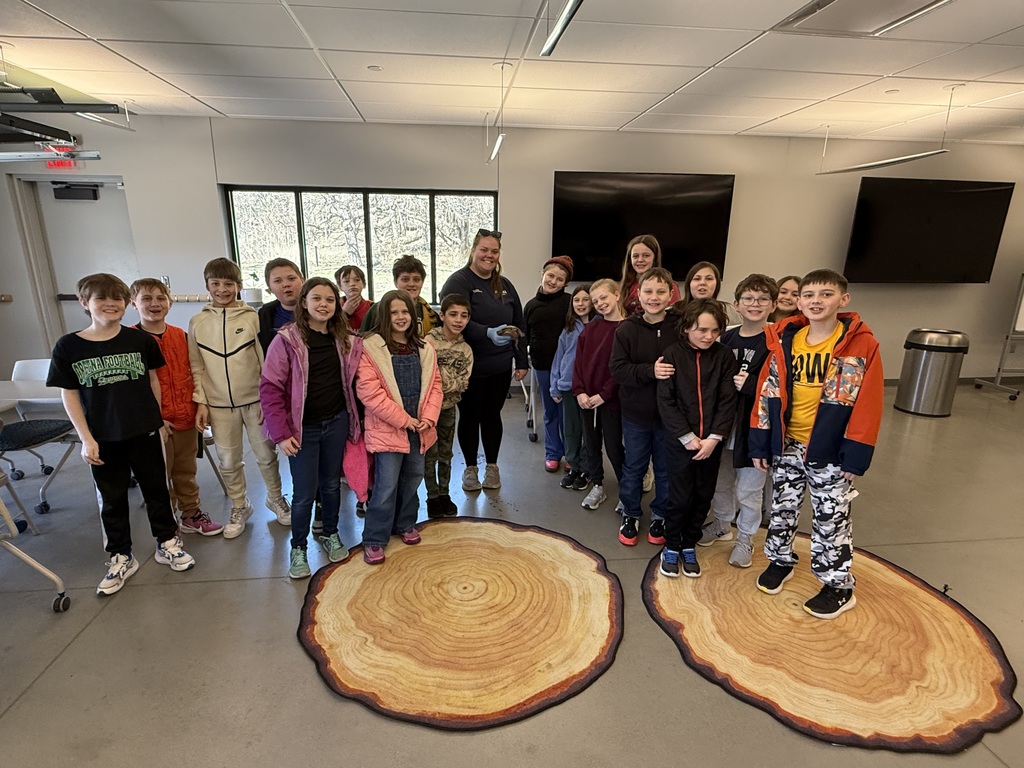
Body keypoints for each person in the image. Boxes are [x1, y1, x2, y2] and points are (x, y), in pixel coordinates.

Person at [47, 273, 195, 595]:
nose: (110, 304)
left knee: (156, 489)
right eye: (101, 298)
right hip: (103, 437)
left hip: (144, 431)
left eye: (116, 298)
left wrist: (157, 421)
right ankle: (121, 555)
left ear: (125, 303)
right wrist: (86, 438)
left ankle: (167, 541)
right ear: (85, 303)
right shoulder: (69, 346)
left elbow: (154, 381)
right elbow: (69, 394)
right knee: (112, 500)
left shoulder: (139, 340)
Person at [750, 269, 883, 620]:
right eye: (808, 295)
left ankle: (838, 585)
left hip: (829, 450)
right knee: (782, 507)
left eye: (825, 294)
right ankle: (780, 560)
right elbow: (768, 391)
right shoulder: (786, 339)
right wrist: (762, 442)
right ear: (798, 300)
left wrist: (855, 455)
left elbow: (869, 403)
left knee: (830, 517)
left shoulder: (861, 344)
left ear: (843, 299)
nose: (815, 301)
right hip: (788, 443)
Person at [260, 277, 363, 579]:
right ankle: (299, 547)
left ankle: (330, 532)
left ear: (338, 304)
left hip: (336, 422)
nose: (323, 305)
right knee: (304, 492)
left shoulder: (345, 340)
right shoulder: (287, 340)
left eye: (330, 300)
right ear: (304, 302)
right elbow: (270, 388)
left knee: (331, 484)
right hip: (302, 430)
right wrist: (281, 433)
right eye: (316, 299)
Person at [188, 258, 290, 539]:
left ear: (239, 286)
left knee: (266, 455)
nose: (222, 289)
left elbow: (265, 362)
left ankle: (276, 498)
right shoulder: (197, 323)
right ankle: (238, 505)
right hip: (219, 406)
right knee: (229, 460)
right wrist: (201, 402)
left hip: (255, 402)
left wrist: (267, 401)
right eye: (216, 284)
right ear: (207, 286)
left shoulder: (252, 318)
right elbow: (196, 366)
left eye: (228, 284)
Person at [356, 289, 443, 565]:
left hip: (420, 428)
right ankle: (374, 537)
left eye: (405, 311)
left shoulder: (424, 348)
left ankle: (405, 523)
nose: (401, 316)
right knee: (386, 485)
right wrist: (405, 420)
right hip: (388, 429)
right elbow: (370, 394)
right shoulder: (370, 348)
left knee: (413, 478)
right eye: (394, 312)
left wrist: (428, 418)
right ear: (384, 315)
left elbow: (435, 386)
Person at [130, 278, 221, 536]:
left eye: (160, 298)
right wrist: (153, 418)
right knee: (160, 475)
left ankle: (191, 514)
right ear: (133, 303)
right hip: (155, 423)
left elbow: (194, 372)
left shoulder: (181, 336)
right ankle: (166, 525)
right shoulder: (130, 340)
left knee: (186, 470)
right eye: (147, 299)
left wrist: (200, 404)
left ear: (169, 302)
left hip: (185, 417)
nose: (155, 304)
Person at [440, 229, 528, 492]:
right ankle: (470, 468)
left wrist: (521, 360)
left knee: (492, 416)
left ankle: (492, 467)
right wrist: (486, 333)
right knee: (469, 416)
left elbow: (519, 322)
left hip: (500, 367)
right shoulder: (459, 282)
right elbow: (454, 322)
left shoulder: (505, 284)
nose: (489, 255)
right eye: (484, 250)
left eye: (494, 251)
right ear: (473, 250)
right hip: (468, 367)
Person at [701, 274, 779, 568]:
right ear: (737, 303)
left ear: (772, 304)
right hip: (723, 423)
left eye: (762, 299)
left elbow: (783, 387)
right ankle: (721, 524)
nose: (754, 304)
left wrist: (750, 385)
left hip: (755, 429)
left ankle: (745, 538)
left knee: (750, 488)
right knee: (720, 481)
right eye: (748, 298)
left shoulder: (777, 342)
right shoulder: (726, 337)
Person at [656, 298, 737, 578]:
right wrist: (687, 437)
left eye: (715, 331)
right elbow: (666, 401)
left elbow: (728, 400)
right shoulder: (672, 355)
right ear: (687, 327)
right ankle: (672, 544)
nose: (709, 336)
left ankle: (689, 543)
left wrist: (714, 438)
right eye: (702, 330)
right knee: (679, 497)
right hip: (681, 443)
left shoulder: (725, 356)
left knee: (703, 495)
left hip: (711, 443)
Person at [610, 268, 678, 547]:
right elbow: (618, 370)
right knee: (634, 467)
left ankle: (660, 514)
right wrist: (650, 370)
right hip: (636, 415)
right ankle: (631, 513)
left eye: (661, 291)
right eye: (648, 291)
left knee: (665, 470)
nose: (654, 297)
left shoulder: (680, 326)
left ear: (670, 294)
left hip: (671, 417)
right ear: (638, 293)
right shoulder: (626, 329)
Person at [572, 279, 626, 511]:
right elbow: (579, 364)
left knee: (614, 447)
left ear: (616, 295)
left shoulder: (627, 329)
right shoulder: (590, 330)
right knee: (591, 444)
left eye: (604, 297)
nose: (600, 303)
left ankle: (627, 491)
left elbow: (622, 368)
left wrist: (604, 394)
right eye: (596, 301)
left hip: (612, 401)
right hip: (587, 401)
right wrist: (580, 391)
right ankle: (598, 485)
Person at [424, 294, 474, 518]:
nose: (458, 320)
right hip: (427, 410)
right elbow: (424, 377)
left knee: (446, 453)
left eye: (464, 315)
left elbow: (462, 383)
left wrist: (445, 384)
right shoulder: (428, 343)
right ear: (442, 315)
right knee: (429, 454)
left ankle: (444, 493)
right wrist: (444, 385)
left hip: (449, 408)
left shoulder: (466, 350)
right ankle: (432, 496)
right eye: (453, 314)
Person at [524, 256, 573, 472]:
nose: (553, 281)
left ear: (565, 283)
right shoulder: (531, 306)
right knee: (550, 410)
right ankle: (553, 452)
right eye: (551, 276)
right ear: (542, 274)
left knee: (568, 412)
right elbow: (525, 336)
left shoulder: (571, 302)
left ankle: (572, 452)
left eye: (559, 279)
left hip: (568, 368)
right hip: (543, 365)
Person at [550, 283, 594, 491]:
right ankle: (574, 467)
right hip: (568, 387)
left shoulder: (599, 327)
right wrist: (554, 386)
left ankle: (587, 469)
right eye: (577, 300)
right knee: (571, 429)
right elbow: (559, 358)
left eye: (585, 299)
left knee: (589, 431)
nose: (581, 303)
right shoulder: (568, 329)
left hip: (590, 390)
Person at [360, 254, 440, 336]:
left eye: (416, 279)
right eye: (405, 279)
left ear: (422, 282)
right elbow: (362, 341)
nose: (411, 284)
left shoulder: (432, 316)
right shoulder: (377, 310)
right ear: (395, 282)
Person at [618, 235, 680, 317]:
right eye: (635, 256)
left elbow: (675, 319)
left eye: (646, 255)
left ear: (655, 258)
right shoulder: (623, 287)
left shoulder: (670, 286)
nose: (640, 260)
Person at [257, 258, 304, 354]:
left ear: (303, 281)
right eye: (278, 281)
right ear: (270, 288)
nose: (286, 284)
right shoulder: (264, 315)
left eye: (291, 279)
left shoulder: (318, 310)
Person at [335, 264, 372, 331]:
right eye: (346, 281)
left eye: (357, 280)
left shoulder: (372, 307)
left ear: (364, 284)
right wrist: (344, 313)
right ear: (339, 286)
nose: (352, 284)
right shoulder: (334, 307)